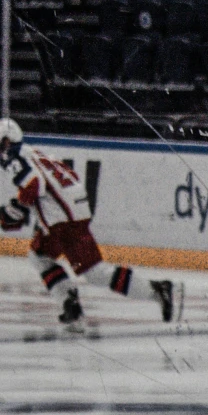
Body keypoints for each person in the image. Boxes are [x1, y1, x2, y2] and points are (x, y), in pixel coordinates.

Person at [2, 118, 180, 329]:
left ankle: (157, 290)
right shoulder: (32, 152)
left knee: (95, 273)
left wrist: (17, 208)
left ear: (8, 141)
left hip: (63, 219)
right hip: (70, 212)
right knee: (39, 255)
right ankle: (70, 303)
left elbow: (34, 184)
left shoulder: (13, 157)